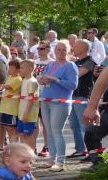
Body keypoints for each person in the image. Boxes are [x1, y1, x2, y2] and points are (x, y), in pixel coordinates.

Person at [36, 41, 78, 171]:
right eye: (58, 49)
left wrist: (56, 80)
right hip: (46, 100)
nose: (60, 52)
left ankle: (60, 162)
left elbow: (73, 85)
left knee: (57, 132)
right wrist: (41, 80)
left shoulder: (70, 66)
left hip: (60, 103)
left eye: (63, 50)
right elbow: (44, 79)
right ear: (54, 51)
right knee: (49, 132)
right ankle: (51, 159)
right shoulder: (50, 64)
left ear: (68, 51)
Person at [66, 39, 96, 159]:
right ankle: (80, 150)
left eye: (76, 46)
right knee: (74, 125)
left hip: (82, 96)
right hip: (72, 96)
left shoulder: (90, 62)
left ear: (83, 48)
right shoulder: (76, 62)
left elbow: (76, 75)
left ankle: (91, 152)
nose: (73, 47)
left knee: (85, 126)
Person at [16, 60, 40, 150]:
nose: (20, 70)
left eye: (22, 68)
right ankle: (25, 153)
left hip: (29, 114)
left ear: (30, 69)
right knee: (22, 134)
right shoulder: (24, 80)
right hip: (22, 112)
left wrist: (26, 113)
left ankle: (32, 153)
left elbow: (31, 99)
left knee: (28, 135)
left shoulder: (32, 82)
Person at [0, 59, 23, 146]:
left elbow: (7, 86)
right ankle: (12, 147)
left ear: (18, 70)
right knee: (7, 128)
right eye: (9, 67)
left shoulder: (18, 79)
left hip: (12, 110)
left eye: (12, 68)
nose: (9, 69)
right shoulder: (9, 77)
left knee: (12, 130)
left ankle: (14, 147)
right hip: (4, 108)